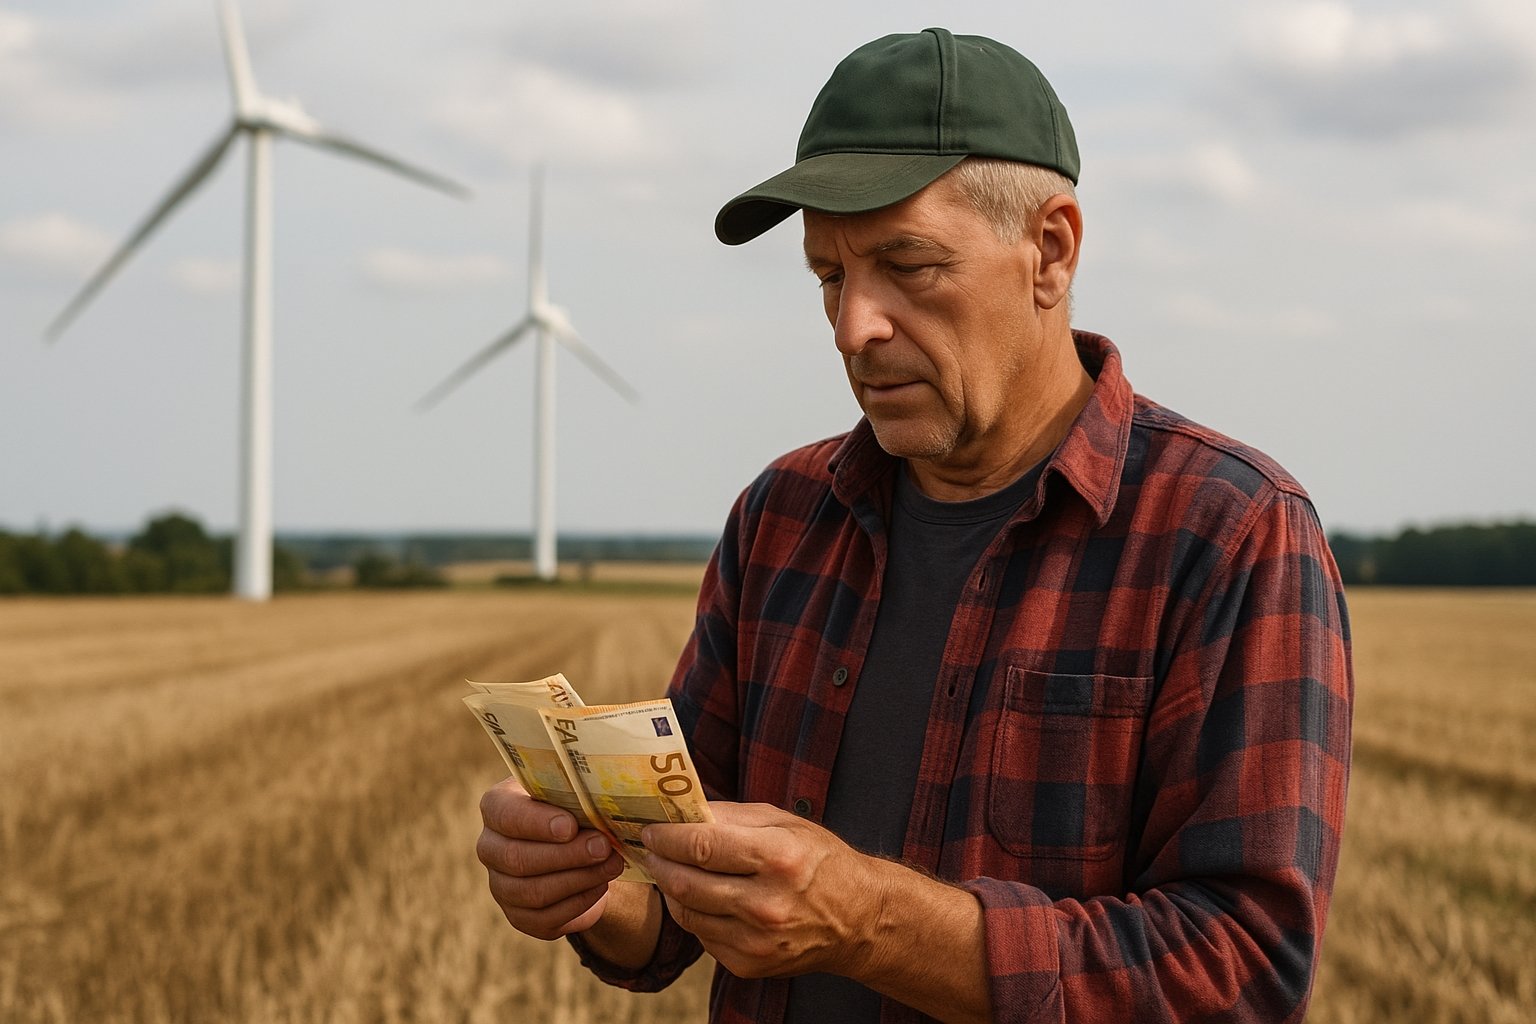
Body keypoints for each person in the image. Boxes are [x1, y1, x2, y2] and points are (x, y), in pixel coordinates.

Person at [476, 28, 1353, 1024]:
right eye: (829, 278)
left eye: (910, 265)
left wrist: (869, 921)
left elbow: (1240, 972)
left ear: (1050, 250)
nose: (855, 327)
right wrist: (586, 887)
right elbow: (672, 908)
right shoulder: (781, 519)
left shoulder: (1231, 534)